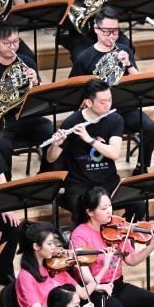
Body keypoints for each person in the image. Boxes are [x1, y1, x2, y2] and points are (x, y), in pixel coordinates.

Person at [70, 7, 154, 173]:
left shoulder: (124, 50)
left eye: (115, 32)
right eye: (107, 32)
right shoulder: (84, 57)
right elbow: (74, 90)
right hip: (98, 113)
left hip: (124, 108)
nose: (112, 36)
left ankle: (142, 167)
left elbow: (138, 82)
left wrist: (128, 64)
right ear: (96, 29)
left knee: (150, 127)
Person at [44, 78, 125, 214]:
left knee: (138, 204)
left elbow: (114, 154)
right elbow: (50, 159)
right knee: (81, 209)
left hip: (107, 180)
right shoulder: (72, 121)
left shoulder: (115, 119)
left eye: (110, 100)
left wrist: (89, 139)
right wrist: (54, 145)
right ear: (88, 102)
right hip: (80, 183)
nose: (108, 105)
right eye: (102, 102)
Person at [0, 25, 47, 178]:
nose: (13, 47)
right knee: (1, 145)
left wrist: (36, 82)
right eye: (7, 43)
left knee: (49, 131)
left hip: (25, 115)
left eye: (16, 42)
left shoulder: (26, 62)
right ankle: (6, 185)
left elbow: (41, 96)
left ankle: (47, 174)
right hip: (2, 120)